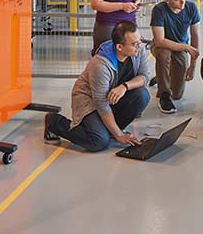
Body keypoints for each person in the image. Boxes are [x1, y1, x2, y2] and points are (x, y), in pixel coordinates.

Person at [43, 21, 150, 152]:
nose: (139, 46)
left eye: (140, 41)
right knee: (99, 142)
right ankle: (53, 121)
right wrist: (119, 135)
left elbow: (144, 77)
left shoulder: (138, 51)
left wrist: (124, 86)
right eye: (135, 44)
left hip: (113, 95)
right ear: (120, 47)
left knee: (142, 95)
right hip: (90, 100)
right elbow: (101, 103)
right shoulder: (100, 65)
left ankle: (109, 129)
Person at [150, 0, 200, 113]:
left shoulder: (191, 8)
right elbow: (160, 40)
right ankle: (164, 95)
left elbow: (195, 36)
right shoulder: (159, 10)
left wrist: (192, 65)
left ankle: (162, 76)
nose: (183, 2)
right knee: (163, 55)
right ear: (167, 0)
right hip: (162, 46)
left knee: (177, 95)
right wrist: (186, 48)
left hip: (180, 48)